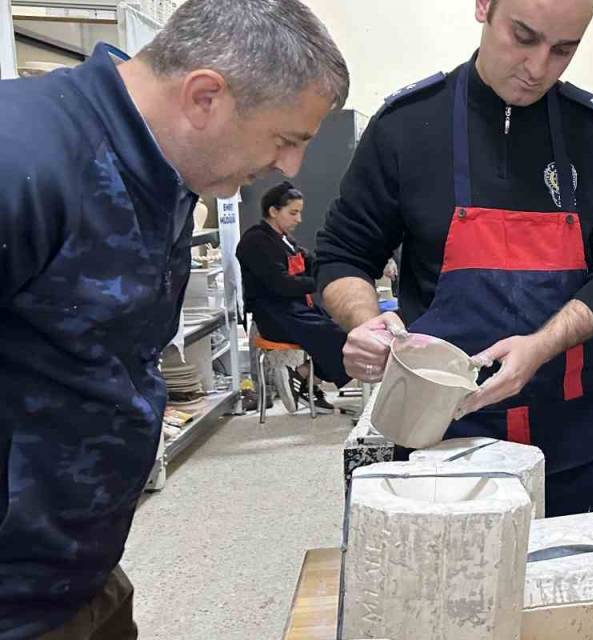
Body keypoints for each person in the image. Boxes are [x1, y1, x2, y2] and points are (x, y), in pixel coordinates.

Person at [0, 0, 348, 637]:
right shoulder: (23, 158)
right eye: (286, 139)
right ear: (205, 96)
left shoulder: (164, 177)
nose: (290, 168)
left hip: (80, 576)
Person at [315, 0, 593, 523]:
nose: (538, 67)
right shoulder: (407, 128)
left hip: (576, 432)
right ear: (483, 8)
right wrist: (365, 324)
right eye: (523, 36)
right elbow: (341, 256)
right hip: (443, 432)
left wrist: (543, 344)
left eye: (563, 50)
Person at [237, 182, 352, 412]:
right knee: (334, 336)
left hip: (295, 309)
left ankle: (304, 379)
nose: (298, 219)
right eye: (293, 213)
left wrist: (338, 271)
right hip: (275, 315)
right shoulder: (255, 242)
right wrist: (320, 283)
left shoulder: (285, 241)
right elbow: (282, 285)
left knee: (344, 327)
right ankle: (304, 376)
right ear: (273, 211)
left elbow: (311, 263)